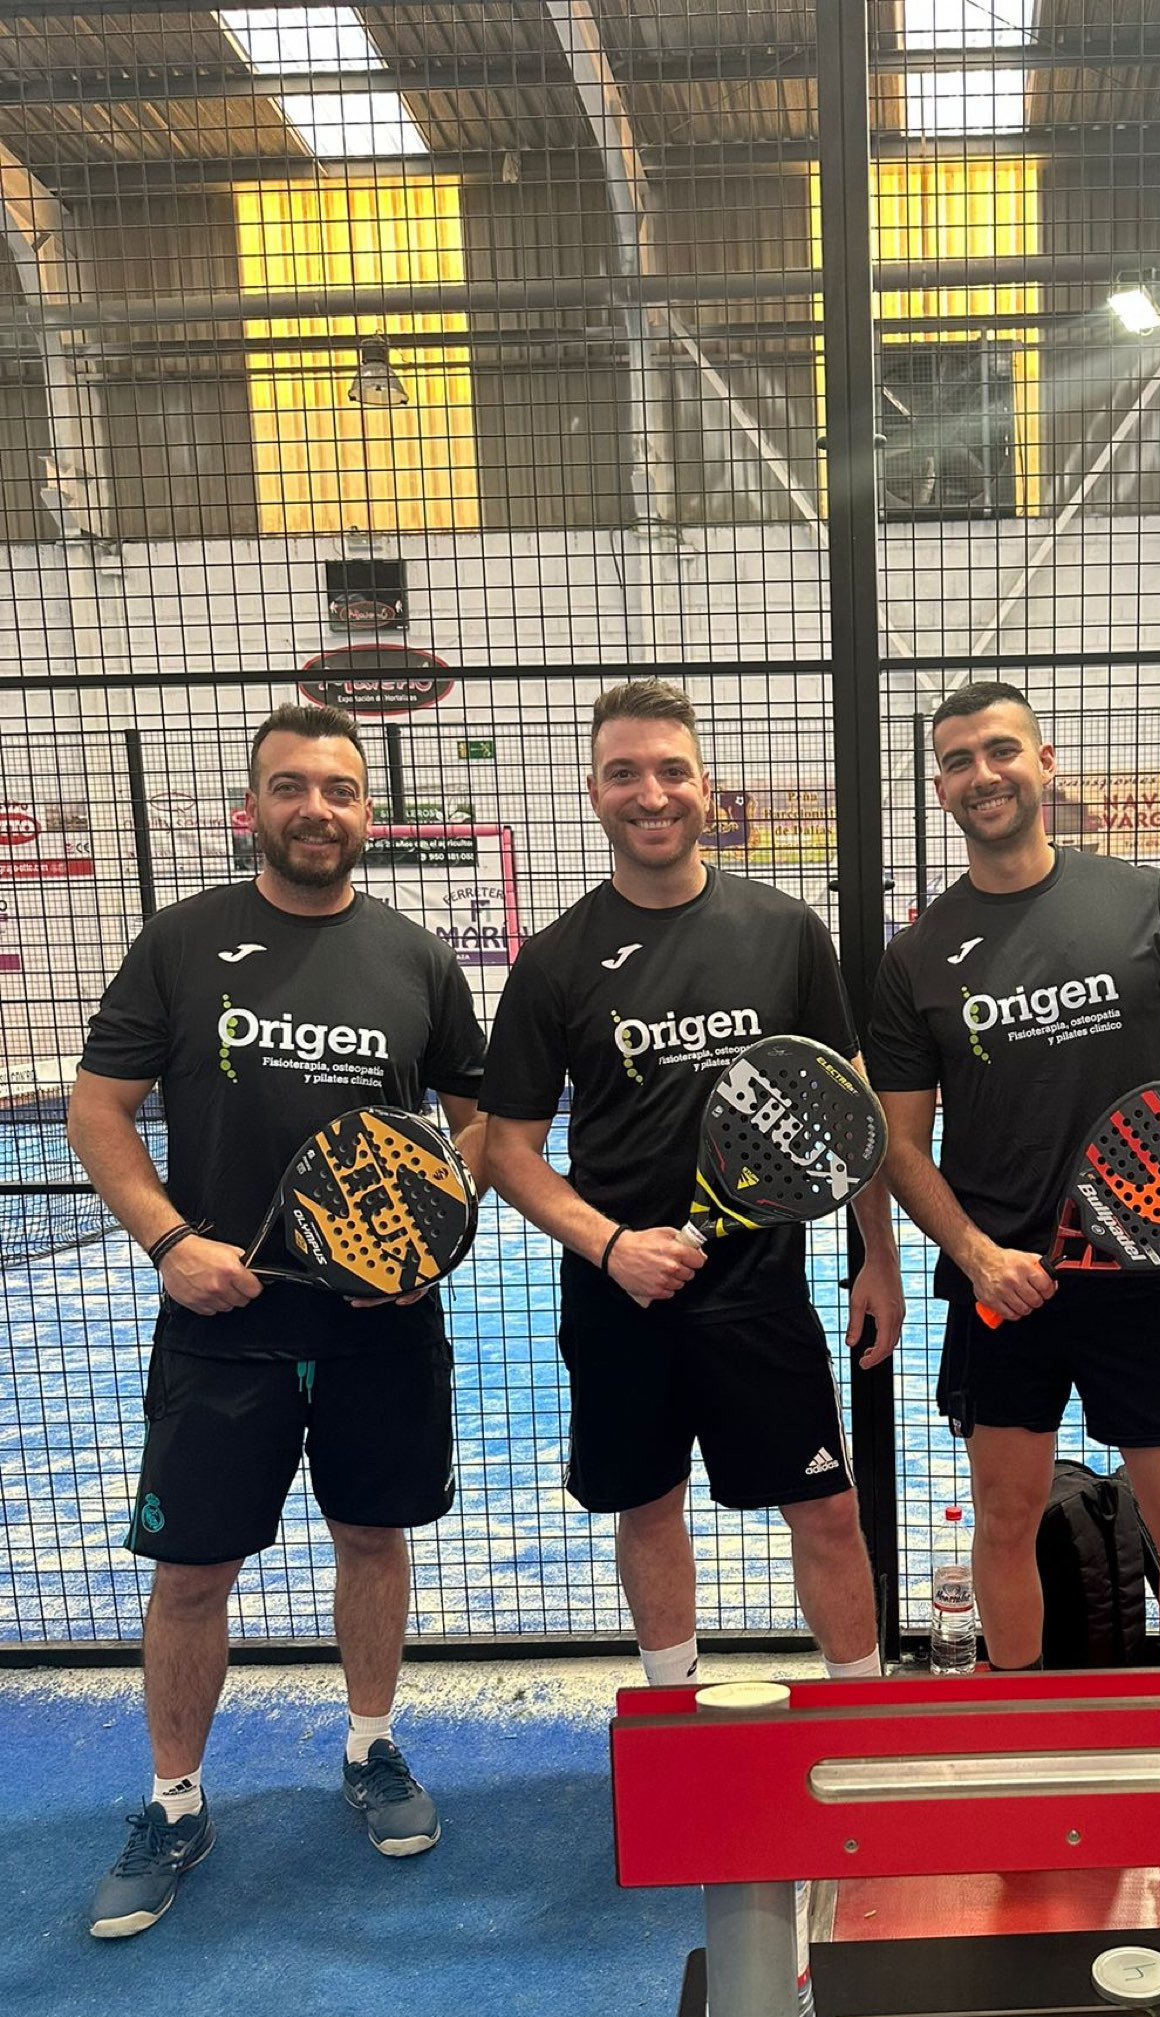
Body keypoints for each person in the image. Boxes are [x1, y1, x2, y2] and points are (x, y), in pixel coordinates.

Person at [68, 702, 488, 1939]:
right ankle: (174, 1801)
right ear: (253, 807)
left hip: (379, 1328)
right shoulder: (182, 942)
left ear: (369, 812)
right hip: (222, 1324)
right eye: (293, 787)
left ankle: (370, 1747)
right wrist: (170, 1243)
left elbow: (479, 1123)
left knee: (372, 1537)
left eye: (340, 790)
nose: (318, 809)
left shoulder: (416, 959)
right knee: (193, 1571)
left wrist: (425, 1233)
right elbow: (99, 1109)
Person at [480, 679, 902, 1687]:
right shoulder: (554, 961)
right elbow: (507, 1151)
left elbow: (849, 1110)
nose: (651, 793)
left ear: (707, 788)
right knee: (648, 1508)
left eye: (673, 770)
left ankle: (861, 1718)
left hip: (759, 1293)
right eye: (624, 772)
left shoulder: (784, 931)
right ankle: (674, 1713)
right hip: (618, 1297)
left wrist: (878, 1260)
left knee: (828, 1510)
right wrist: (612, 1246)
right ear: (593, 793)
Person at [867, 680, 1160, 1671]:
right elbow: (900, 1144)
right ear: (941, 788)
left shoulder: (1142, 902)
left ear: (1044, 763)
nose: (984, 774)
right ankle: (1018, 1721)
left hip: (1150, 1271)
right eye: (960, 761)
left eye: (1002, 750)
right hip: (1005, 1288)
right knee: (1006, 1523)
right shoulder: (918, 956)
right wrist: (977, 1256)